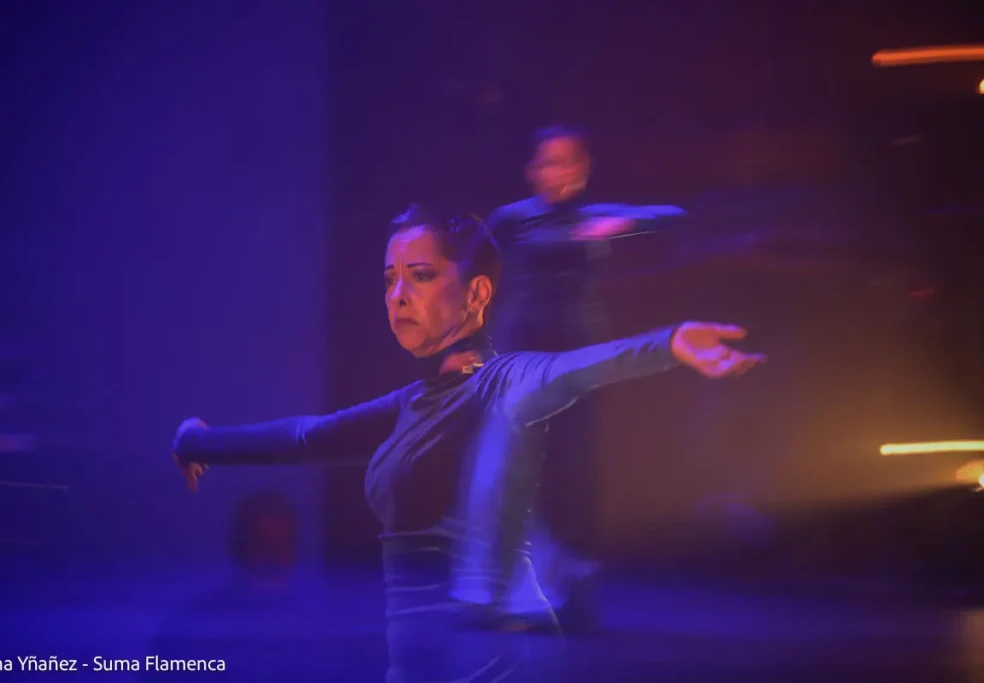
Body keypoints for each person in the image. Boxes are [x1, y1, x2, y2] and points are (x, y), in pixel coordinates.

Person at [171, 204, 765, 681]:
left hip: (489, 658)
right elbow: (305, 437)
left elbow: (577, 367)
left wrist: (669, 343)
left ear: (477, 295)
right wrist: (201, 441)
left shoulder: (506, 382)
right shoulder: (411, 403)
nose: (397, 295)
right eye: (390, 279)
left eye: (421, 275)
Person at [485, 124, 685, 631]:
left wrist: (618, 224)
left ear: (583, 168)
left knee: (573, 470)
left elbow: (670, 217)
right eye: (549, 162)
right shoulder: (513, 220)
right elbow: (466, 263)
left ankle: (575, 588)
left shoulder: (595, 217)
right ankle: (514, 590)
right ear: (533, 170)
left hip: (579, 357)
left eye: (569, 162)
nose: (559, 172)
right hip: (523, 356)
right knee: (519, 468)